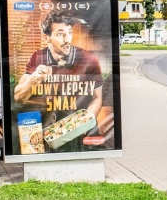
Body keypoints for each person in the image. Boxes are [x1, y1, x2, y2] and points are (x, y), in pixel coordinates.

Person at [13, 11, 104, 147]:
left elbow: (98, 98)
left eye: (69, 32)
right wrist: (34, 78)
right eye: (60, 34)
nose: (67, 39)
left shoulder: (89, 60)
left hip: (82, 134)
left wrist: (83, 123)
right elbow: (18, 96)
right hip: (49, 133)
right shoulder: (37, 57)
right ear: (47, 37)